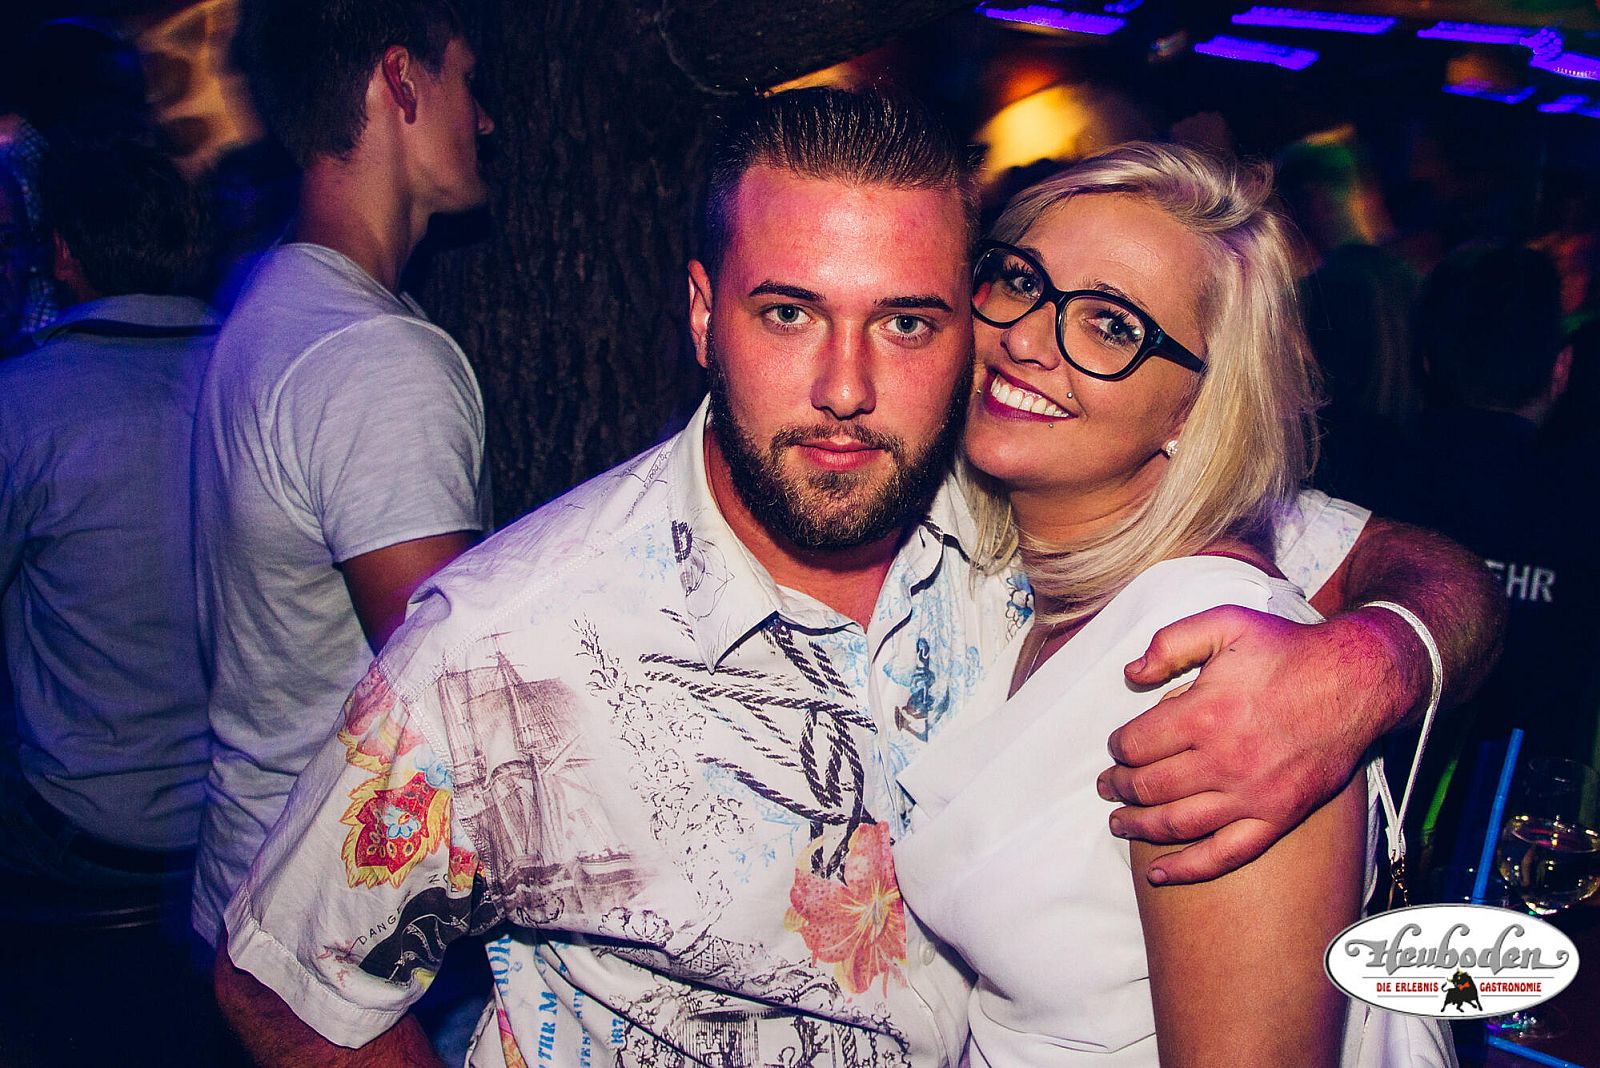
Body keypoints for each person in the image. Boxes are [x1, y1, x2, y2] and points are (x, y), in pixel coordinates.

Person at [213, 89, 1496, 1066]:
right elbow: (281, 988)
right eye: (788, 313)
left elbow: (1416, 564)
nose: (845, 388)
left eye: (905, 321)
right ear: (703, 314)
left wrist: (1378, 661)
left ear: (963, 331)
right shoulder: (503, 647)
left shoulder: (1035, 499)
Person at [892, 143, 1455, 1066]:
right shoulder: (1024, 576)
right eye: (1022, 281)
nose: (1027, 338)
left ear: (1194, 411)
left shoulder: (1218, 676)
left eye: (1111, 326)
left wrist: (1385, 655)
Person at [189, 0, 496, 946]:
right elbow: (464, 709)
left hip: (253, 877)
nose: (485, 119)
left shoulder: (273, 300)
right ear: (401, 80)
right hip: (338, 934)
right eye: (467, 81)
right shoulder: (375, 357)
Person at [0, 139, 221, 1058]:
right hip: (244, 814)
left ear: (62, 254)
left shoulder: (24, 403)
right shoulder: (254, 370)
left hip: (85, 835)